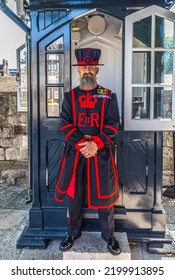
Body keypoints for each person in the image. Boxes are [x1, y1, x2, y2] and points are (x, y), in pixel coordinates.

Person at [54, 48, 121, 255]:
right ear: (78, 71)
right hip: (76, 153)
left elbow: (112, 125)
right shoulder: (69, 97)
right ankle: (72, 232)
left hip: (100, 154)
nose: (88, 71)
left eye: (91, 67)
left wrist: (96, 144)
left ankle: (109, 235)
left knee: (105, 196)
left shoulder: (108, 96)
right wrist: (84, 145)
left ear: (97, 70)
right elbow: (65, 124)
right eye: (84, 68)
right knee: (74, 194)